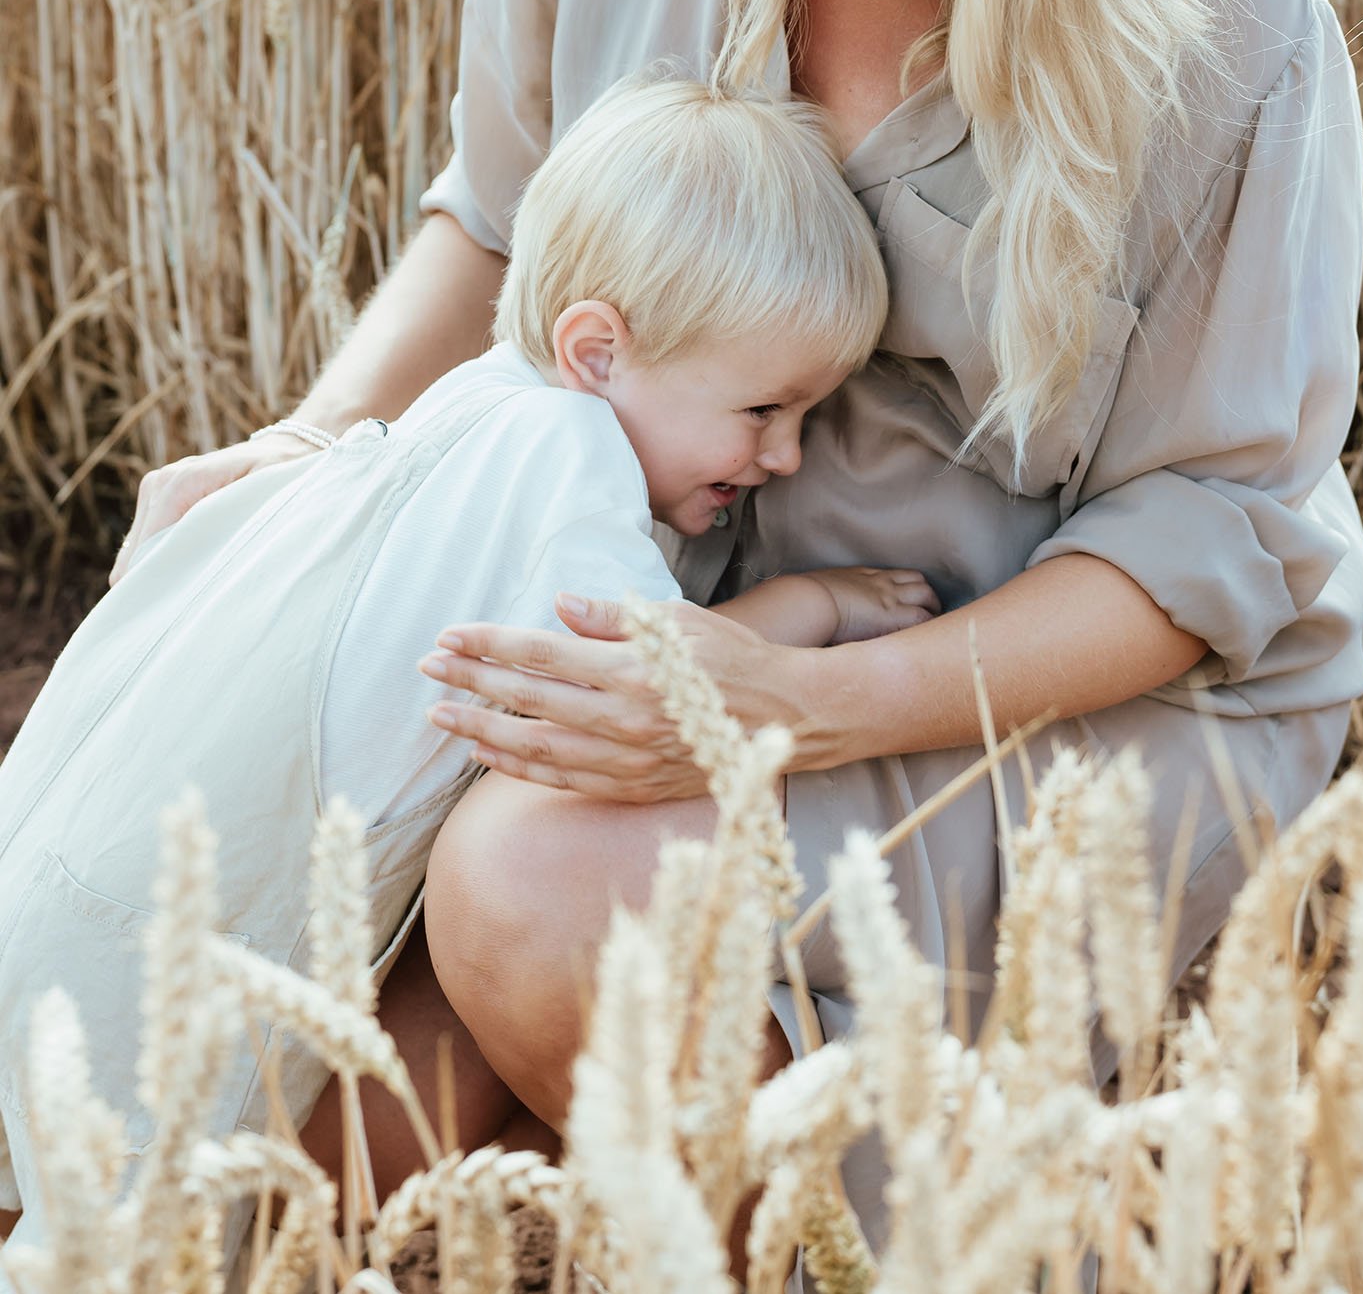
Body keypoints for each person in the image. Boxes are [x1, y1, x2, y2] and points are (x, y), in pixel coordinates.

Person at [105, 0, 1363, 1244]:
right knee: (271, 1146)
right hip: (644, 604)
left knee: (532, 893)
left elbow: (1219, 537)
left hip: (1021, 684)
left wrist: (791, 699)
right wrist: (311, 458)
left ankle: (902, 1253)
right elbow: (499, 226)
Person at [0, 77, 931, 1261]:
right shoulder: (566, 452)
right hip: (170, 973)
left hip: (50, 891)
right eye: (764, 408)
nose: (787, 454)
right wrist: (814, 606)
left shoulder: (467, 407)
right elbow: (645, 684)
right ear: (598, 352)